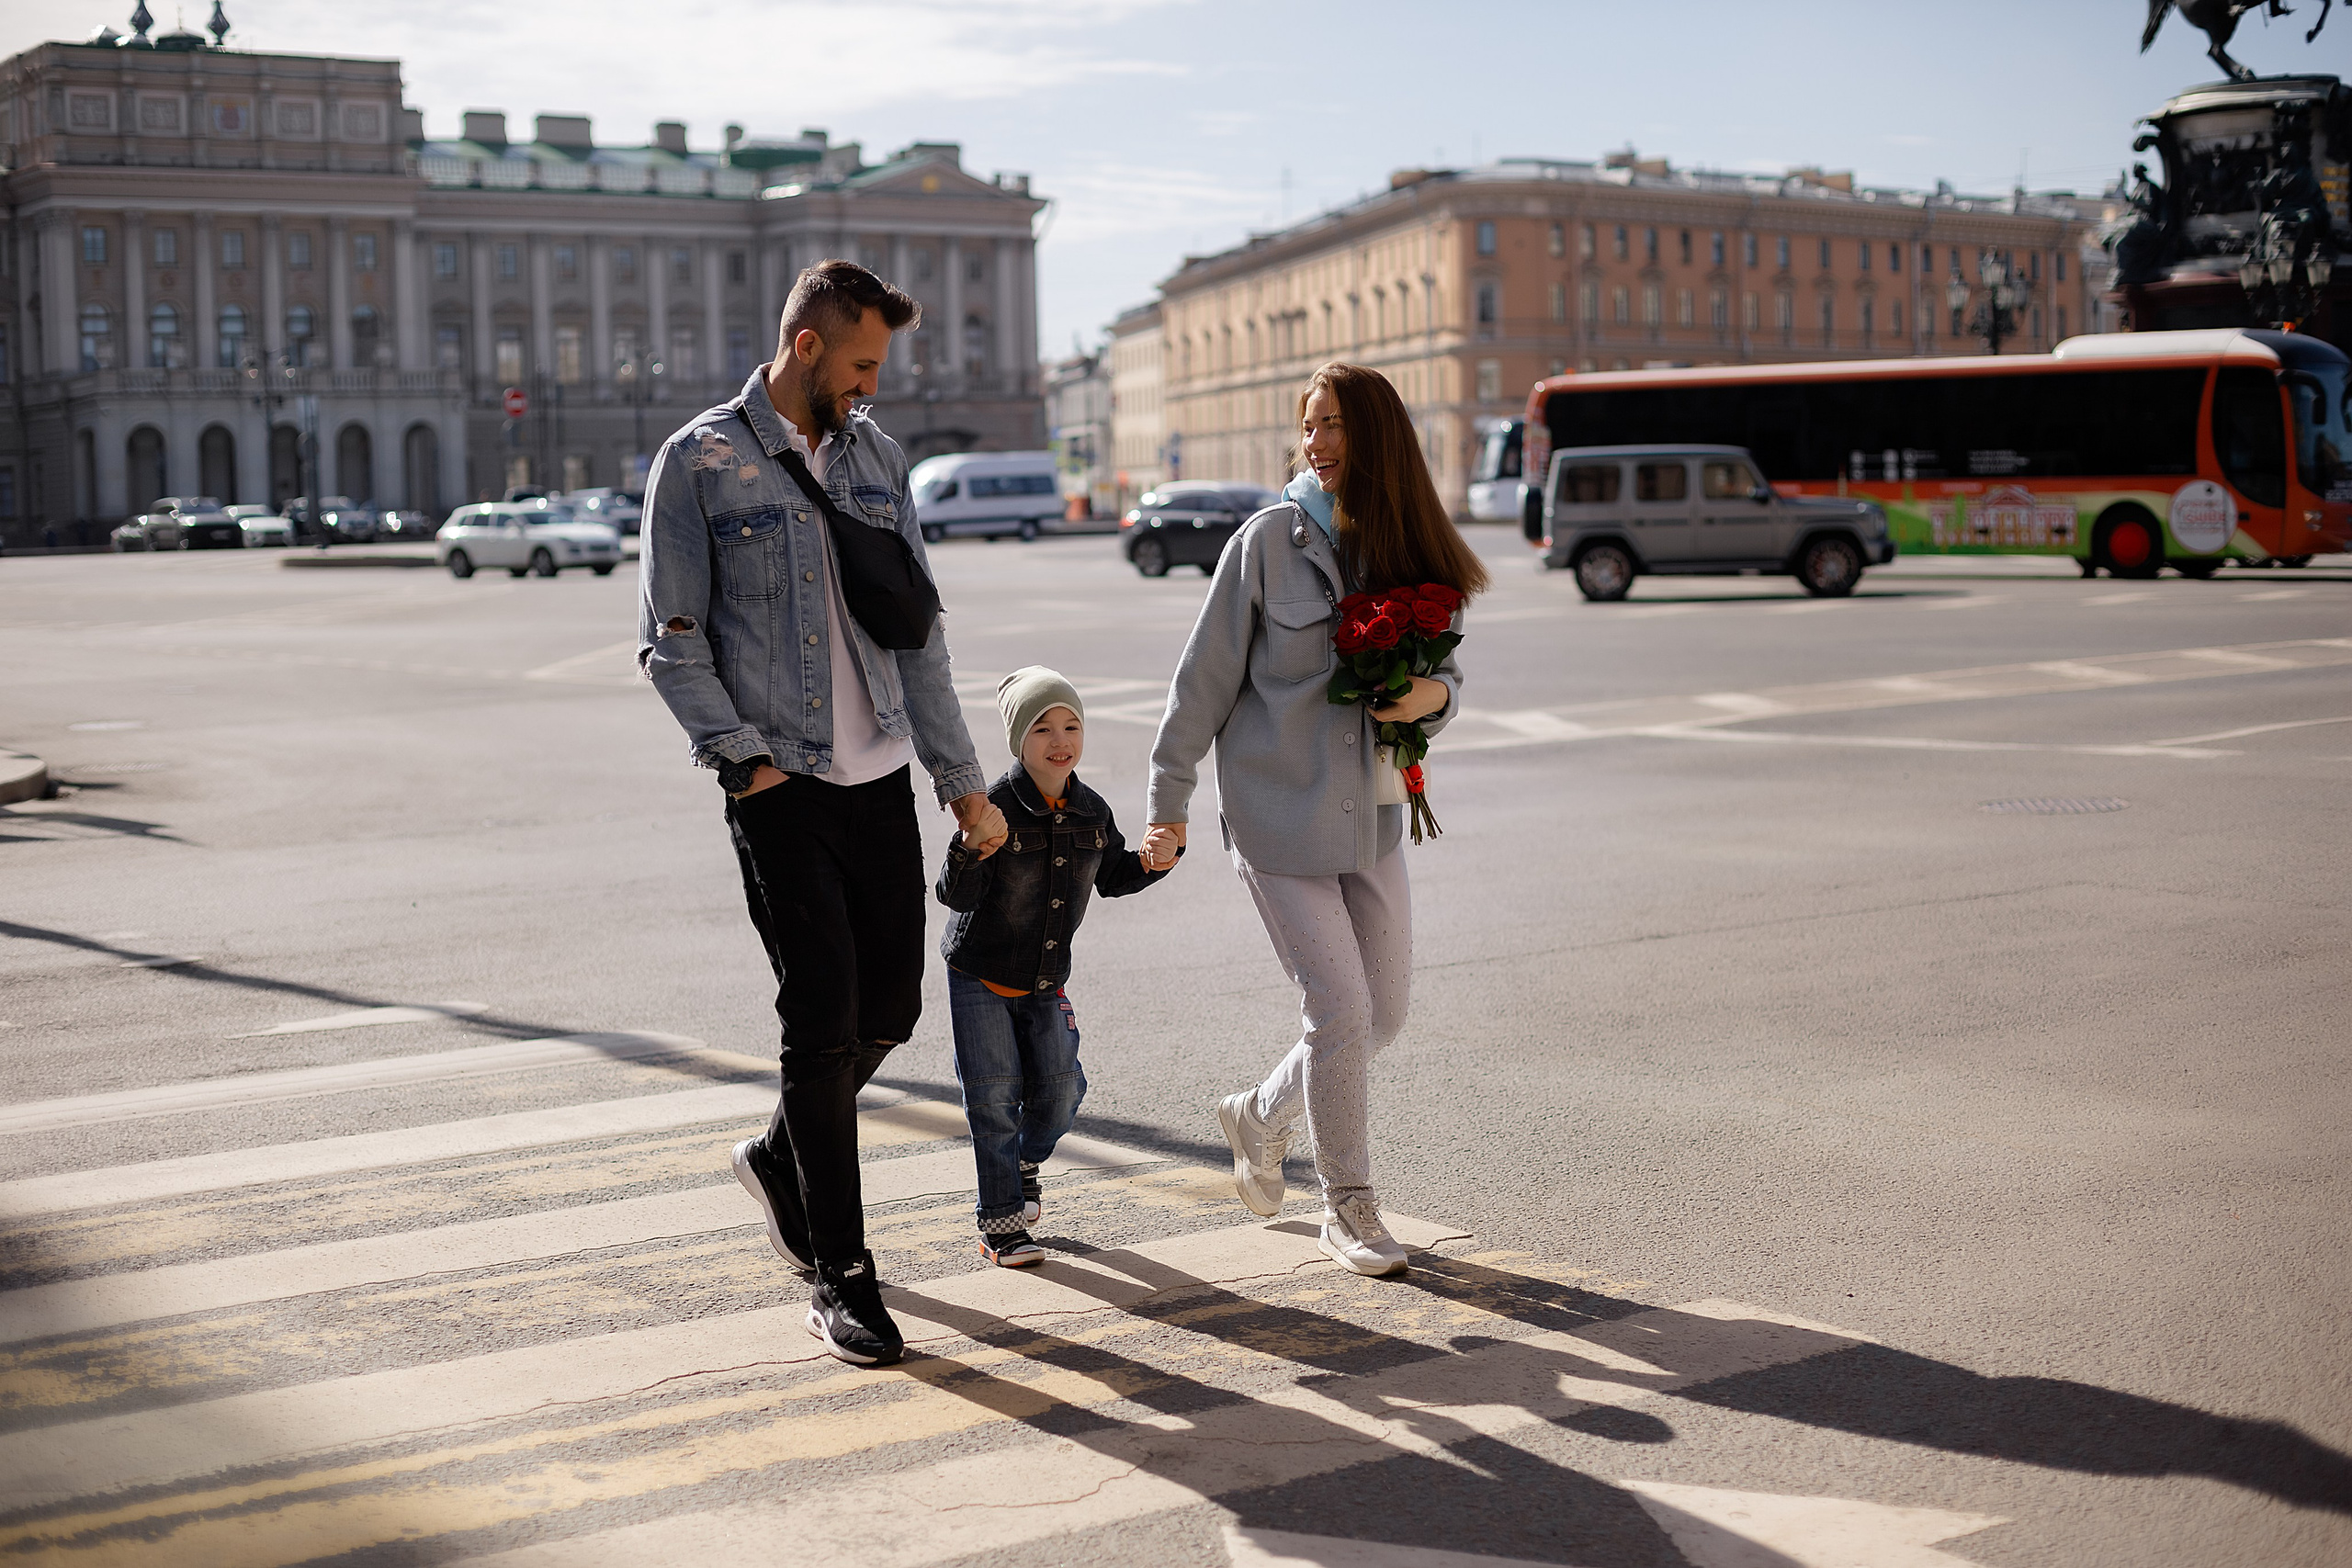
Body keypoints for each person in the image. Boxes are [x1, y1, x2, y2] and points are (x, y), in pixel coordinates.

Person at [638, 259, 1009, 1367]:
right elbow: (672, 639)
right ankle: (840, 1274)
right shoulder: (698, 460)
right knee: (822, 1020)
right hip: (780, 783)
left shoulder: (878, 456)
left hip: (879, 779)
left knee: (889, 1009)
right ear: (807, 348)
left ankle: (777, 1154)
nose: (869, 383)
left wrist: (961, 781)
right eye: (859, 363)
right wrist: (744, 766)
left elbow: (918, 635)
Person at [1140, 362, 1487, 1278]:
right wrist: (1166, 805)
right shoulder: (1266, 542)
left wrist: (1430, 697)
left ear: (1374, 436)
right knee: (1338, 1009)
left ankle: (1257, 1114)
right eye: (1310, 426)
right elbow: (1200, 683)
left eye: (1334, 425)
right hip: (1275, 815)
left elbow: (1448, 676)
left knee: (1379, 1020)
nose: (1318, 444)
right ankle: (1350, 1207)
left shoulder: (1404, 545)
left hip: (1370, 812)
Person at [935, 668, 1174, 1267]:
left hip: (1045, 980)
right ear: (1019, 738)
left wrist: (1156, 861)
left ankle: (1022, 1158)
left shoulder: (1092, 810)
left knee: (1064, 1088)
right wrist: (968, 845)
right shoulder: (995, 808)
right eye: (1042, 727)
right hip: (979, 976)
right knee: (991, 1098)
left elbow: (1114, 874)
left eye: (1070, 724)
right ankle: (1002, 1226)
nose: (1059, 737)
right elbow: (954, 895)